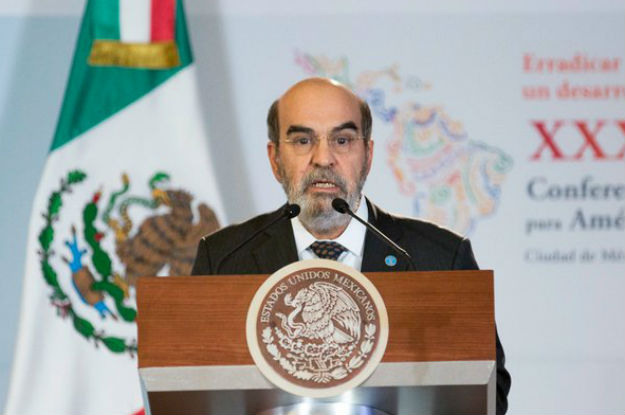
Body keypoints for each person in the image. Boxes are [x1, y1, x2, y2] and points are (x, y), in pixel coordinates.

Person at [191, 77, 511, 413]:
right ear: (275, 159)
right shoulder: (225, 259)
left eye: (342, 140)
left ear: (368, 155)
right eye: (302, 140)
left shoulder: (438, 258)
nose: (323, 158)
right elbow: (190, 385)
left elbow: (490, 394)